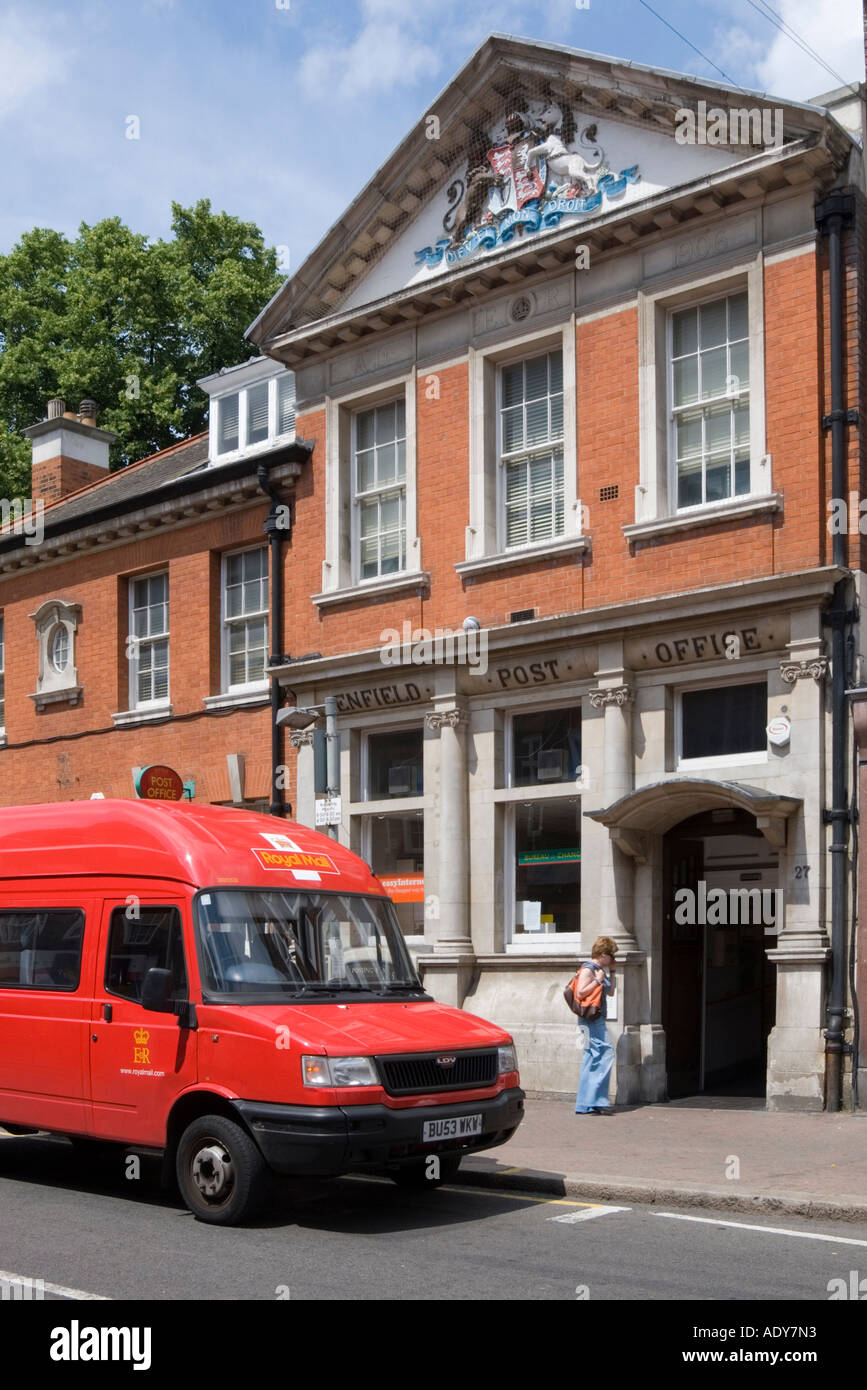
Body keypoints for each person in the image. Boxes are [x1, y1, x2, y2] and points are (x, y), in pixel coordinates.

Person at [573, 936, 617, 1114]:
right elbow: (580, 992)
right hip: (591, 1020)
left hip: (596, 1019)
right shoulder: (588, 969)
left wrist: (612, 973)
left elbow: (612, 992)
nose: (613, 960)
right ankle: (594, 1100)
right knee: (606, 1053)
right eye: (611, 956)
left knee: (591, 1057)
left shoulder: (600, 970)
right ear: (604, 954)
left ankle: (587, 1103)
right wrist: (597, 980)